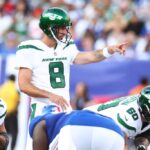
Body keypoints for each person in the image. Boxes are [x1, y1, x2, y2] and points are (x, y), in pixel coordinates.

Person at [15, 7, 127, 149]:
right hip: (43, 111)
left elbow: (88, 56)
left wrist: (109, 50)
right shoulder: (29, 48)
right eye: (60, 28)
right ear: (48, 28)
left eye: (65, 27)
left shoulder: (66, 46)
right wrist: (51, 95)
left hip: (64, 111)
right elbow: (24, 85)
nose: (64, 31)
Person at [85, 86, 150, 150]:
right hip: (89, 126)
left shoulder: (140, 100)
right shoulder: (130, 121)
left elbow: (144, 134)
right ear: (147, 108)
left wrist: (142, 146)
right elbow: (121, 144)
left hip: (91, 119)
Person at [29, 109, 126, 150]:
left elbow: (39, 126)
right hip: (116, 132)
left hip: (77, 125)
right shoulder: (62, 117)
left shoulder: (40, 121)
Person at [0, 74, 20, 150]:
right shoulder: (16, 90)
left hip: (2, 115)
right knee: (14, 133)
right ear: (14, 80)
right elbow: (18, 102)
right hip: (11, 114)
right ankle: (12, 148)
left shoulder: (2, 88)